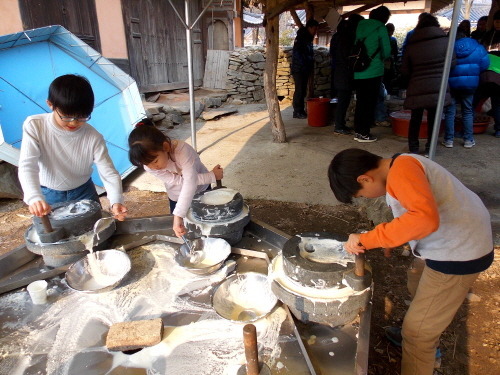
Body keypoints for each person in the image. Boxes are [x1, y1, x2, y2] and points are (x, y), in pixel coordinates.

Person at [328, 148, 493, 375]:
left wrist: (370, 238)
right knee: (415, 280)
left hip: (459, 253)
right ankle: (419, 325)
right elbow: (413, 211)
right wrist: (393, 237)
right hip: (451, 241)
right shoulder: (401, 164)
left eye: (362, 194)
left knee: (417, 333)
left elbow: (423, 218)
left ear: (365, 178)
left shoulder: (402, 172)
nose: (367, 197)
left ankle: (420, 343)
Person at [18, 74, 128, 220]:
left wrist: (115, 201)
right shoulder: (35, 126)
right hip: (48, 194)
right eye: (67, 116)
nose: (74, 123)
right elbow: (27, 165)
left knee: (94, 232)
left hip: (84, 191)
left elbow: (108, 173)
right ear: (50, 104)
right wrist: (34, 197)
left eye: (82, 117)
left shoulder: (93, 137)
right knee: (56, 238)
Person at [128, 119, 223, 237]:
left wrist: (178, 215)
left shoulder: (182, 150)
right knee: (183, 230)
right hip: (176, 197)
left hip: (202, 190)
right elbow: (178, 181)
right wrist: (211, 176)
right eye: (147, 164)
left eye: (155, 161)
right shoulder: (149, 166)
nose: (154, 167)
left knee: (207, 221)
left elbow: (190, 181)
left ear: (166, 147)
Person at [400, 13, 454, 154]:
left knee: (415, 117)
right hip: (438, 85)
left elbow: (404, 70)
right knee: (434, 118)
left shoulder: (412, 43)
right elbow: (453, 63)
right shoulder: (446, 41)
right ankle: (431, 147)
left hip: (417, 85)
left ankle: (414, 147)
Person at [442, 28, 489, 148]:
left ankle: (448, 140)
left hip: (452, 85)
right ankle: (468, 140)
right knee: (467, 111)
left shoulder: (448, 48)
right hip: (470, 85)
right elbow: (485, 64)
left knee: (450, 112)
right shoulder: (478, 47)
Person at [352, 6, 392, 142]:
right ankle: (364, 133)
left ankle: (358, 131)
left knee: (361, 102)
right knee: (369, 103)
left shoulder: (359, 25)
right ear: (385, 18)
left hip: (358, 70)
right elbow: (387, 52)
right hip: (373, 71)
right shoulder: (381, 28)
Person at [331, 14, 364, 135]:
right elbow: (349, 57)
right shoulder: (348, 37)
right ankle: (339, 126)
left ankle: (340, 124)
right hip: (345, 72)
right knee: (343, 101)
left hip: (339, 71)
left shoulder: (337, 36)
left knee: (342, 100)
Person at [475, 10, 500, 138]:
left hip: (497, 74)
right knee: (477, 98)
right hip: (485, 72)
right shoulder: (488, 35)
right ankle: (470, 124)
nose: (498, 24)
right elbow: (481, 50)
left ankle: (498, 128)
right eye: (496, 21)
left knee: (496, 102)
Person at [291, 19, 319, 119]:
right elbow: (299, 55)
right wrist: (306, 63)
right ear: (309, 27)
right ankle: (297, 111)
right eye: (314, 29)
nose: (315, 31)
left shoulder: (307, 38)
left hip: (303, 68)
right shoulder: (302, 38)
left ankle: (300, 110)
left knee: (302, 90)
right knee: (300, 90)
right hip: (299, 68)